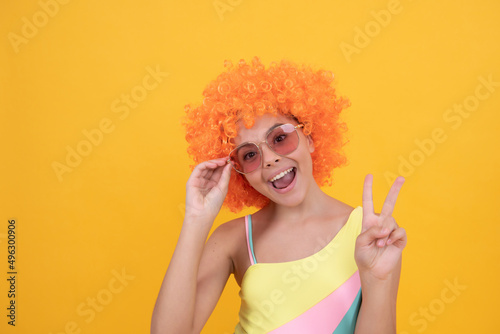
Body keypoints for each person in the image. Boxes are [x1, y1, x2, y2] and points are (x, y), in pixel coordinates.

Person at [151, 57, 407, 334]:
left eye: (280, 138)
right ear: (239, 172)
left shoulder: (371, 235)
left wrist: (377, 281)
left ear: (309, 137)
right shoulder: (233, 239)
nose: (270, 160)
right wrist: (196, 219)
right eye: (250, 154)